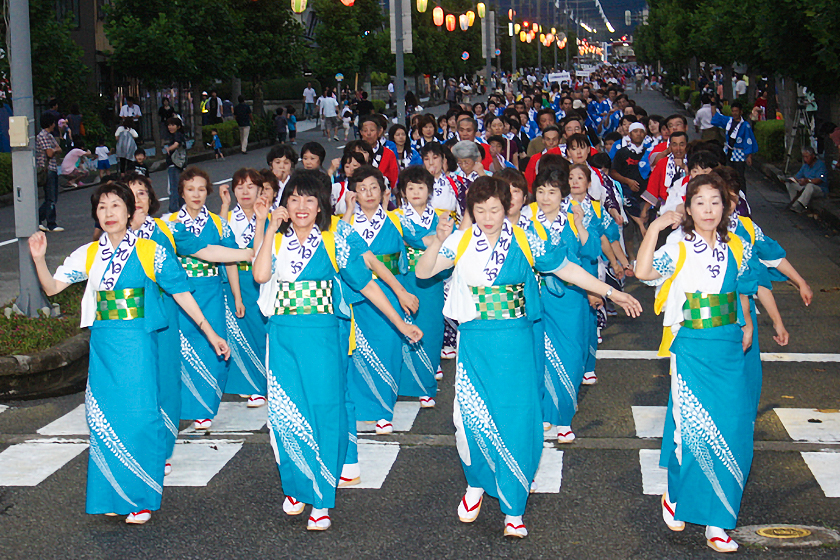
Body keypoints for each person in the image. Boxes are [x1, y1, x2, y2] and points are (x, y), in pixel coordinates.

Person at [414, 176, 641, 539]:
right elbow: (424, 272)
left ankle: (514, 507)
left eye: (495, 209)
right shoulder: (459, 241)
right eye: (480, 209)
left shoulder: (525, 237)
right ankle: (476, 483)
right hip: (475, 340)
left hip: (516, 338)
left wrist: (610, 291)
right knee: (469, 417)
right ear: (471, 211)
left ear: (507, 208)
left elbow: (566, 268)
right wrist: (439, 240)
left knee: (518, 420)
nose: (488, 217)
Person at [29, 181, 230, 525]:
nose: (109, 213)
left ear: (130, 210)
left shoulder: (152, 251)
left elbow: (181, 293)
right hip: (104, 342)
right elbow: (52, 287)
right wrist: (37, 258)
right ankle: (111, 495)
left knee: (140, 417)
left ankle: (140, 497)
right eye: (102, 207)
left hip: (137, 341)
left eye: (115, 206)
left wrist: (210, 332)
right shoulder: (89, 254)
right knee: (104, 421)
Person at [250, 170, 420, 531]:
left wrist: (399, 321)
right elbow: (261, 275)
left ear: (321, 206)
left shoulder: (333, 241)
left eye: (309, 200)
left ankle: (323, 498)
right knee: (285, 413)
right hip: (281, 334)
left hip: (323, 334)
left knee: (325, 412)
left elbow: (367, 284)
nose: (301, 206)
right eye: (293, 199)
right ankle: (297, 486)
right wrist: (267, 227)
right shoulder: (276, 241)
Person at [635, 173, 756, 553]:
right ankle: (697, 508)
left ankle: (719, 517)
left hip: (728, 343)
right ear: (688, 208)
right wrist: (654, 226)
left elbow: (743, 289)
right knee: (694, 430)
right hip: (692, 345)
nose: (708, 209)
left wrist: (748, 322)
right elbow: (642, 273)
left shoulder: (737, 245)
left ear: (726, 207)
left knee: (735, 428)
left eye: (715, 202)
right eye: (700, 202)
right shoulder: (679, 245)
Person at [164, 167, 241, 431]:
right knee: (181, 349)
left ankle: (204, 406)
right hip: (180, 293)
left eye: (200, 189)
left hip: (211, 291)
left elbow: (230, 259)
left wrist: (236, 295)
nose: (196, 195)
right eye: (189, 189)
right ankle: (182, 405)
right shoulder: (169, 223)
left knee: (212, 347)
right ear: (181, 193)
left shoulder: (219, 223)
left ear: (207, 192)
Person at [394, 166, 449, 397]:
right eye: (410, 188)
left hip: (432, 279)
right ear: (404, 193)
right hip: (405, 279)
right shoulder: (396, 218)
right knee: (403, 327)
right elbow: (417, 239)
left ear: (430, 191)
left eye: (421, 187)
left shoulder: (441, 217)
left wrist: (435, 239)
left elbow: (448, 244)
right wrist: (436, 238)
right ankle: (404, 383)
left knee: (433, 328)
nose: (416, 192)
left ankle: (426, 385)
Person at [218, 169, 270, 407]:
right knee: (242, 335)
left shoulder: (270, 217)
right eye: (240, 186)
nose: (245, 191)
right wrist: (237, 295)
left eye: (251, 186)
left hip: (267, 281)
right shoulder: (229, 219)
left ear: (261, 189)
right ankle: (254, 384)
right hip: (238, 281)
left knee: (265, 334)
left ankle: (268, 382)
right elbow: (223, 251)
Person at [710, 102, 757, 186]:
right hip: (728, 151)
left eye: (736, 111)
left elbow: (748, 140)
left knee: (739, 176)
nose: (734, 113)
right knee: (728, 175)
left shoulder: (745, 125)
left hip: (739, 153)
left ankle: (742, 195)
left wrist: (749, 156)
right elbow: (716, 117)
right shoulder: (729, 121)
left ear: (741, 112)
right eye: (733, 111)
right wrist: (713, 104)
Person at [36, 112, 64, 232]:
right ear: (50, 123)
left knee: (51, 197)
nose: (55, 125)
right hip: (47, 169)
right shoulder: (43, 136)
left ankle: (43, 220)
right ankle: (47, 221)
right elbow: (50, 153)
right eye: (53, 123)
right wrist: (55, 149)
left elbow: (59, 149)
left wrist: (55, 149)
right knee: (51, 197)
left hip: (52, 168)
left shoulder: (50, 136)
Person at [785, 146, 827, 213]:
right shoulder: (805, 166)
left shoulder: (820, 165)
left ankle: (801, 205)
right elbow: (797, 176)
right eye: (804, 157)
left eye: (807, 157)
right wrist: (789, 180)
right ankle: (795, 203)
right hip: (805, 186)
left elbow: (819, 179)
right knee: (790, 184)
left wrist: (808, 181)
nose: (805, 159)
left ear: (813, 156)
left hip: (819, 188)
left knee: (809, 186)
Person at [164, 117, 187, 213]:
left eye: (173, 125)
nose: (170, 127)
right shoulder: (177, 135)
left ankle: (173, 209)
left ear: (178, 126)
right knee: (180, 186)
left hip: (174, 164)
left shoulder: (177, 135)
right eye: (169, 125)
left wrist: (169, 149)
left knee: (174, 188)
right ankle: (183, 207)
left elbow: (176, 144)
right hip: (180, 165)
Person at [266, 143, 297, 209]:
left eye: (286, 163)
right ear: (271, 164)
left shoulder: (296, 182)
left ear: (291, 165)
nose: (281, 166)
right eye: (277, 162)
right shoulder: (264, 182)